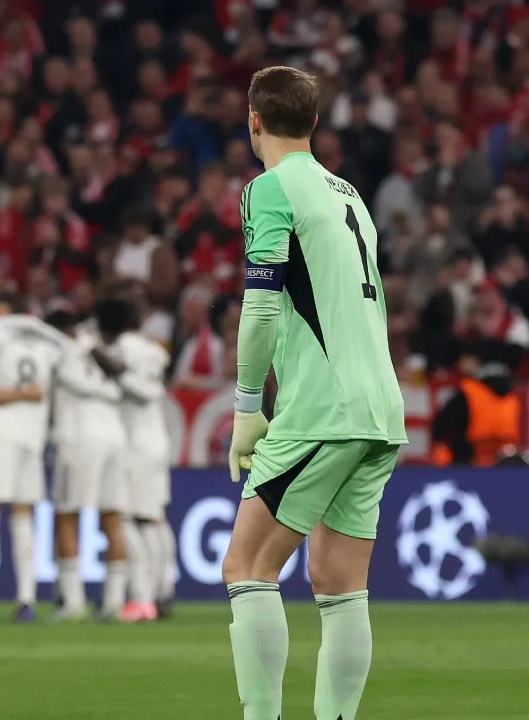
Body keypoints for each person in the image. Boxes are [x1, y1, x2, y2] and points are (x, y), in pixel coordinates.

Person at [223, 67, 407, 720]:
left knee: (246, 565)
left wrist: (248, 406)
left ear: (254, 121)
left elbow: (262, 308)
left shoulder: (269, 190)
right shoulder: (351, 195)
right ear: (315, 123)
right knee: (338, 581)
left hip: (322, 408)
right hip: (380, 408)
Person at [0, 293, 100, 624]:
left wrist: (14, 392)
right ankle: (26, 599)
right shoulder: (45, 348)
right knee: (23, 515)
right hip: (32, 438)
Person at [95, 298, 174, 623]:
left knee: (127, 519)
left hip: (134, 443)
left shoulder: (122, 352)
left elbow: (137, 388)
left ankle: (142, 599)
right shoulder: (154, 350)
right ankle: (162, 590)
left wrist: (103, 362)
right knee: (153, 519)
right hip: (157, 438)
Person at [47, 309, 129, 623]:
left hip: (78, 438)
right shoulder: (96, 349)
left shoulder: (58, 352)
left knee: (66, 517)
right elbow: (119, 378)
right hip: (113, 435)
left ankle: (74, 604)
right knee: (111, 519)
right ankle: (113, 604)